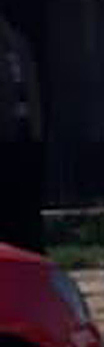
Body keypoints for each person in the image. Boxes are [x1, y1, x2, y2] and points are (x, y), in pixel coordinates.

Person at [0, 14, 46, 253]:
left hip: (22, 137)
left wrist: (36, 133)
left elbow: (30, 90)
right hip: (7, 137)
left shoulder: (19, 42)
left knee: (23, 208)